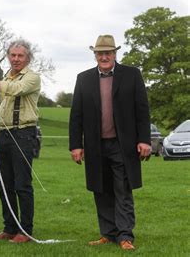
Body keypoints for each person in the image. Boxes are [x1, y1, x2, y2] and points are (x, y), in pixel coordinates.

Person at [69, 34, 151, 251]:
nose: (104, 56)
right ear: (95, 55)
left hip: (122, 144)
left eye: (108, 52)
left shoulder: (132, 75)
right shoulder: (83, 78)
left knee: (122, 189)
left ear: (115, 54)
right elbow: (76, 115)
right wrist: (76, 145)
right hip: (95, 145)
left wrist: (144, 139)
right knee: (101, 189)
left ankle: (125, 235)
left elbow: (142, 110)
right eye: (100, 53)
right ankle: (108, 233)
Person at [0, 39, 41, 244]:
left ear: (27, 58)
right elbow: (0, 112)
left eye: (20, 56)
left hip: (24, 133)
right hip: (4, 136)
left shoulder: (32, 77)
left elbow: (14, 90)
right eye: (13, 55)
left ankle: (25, 231)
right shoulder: (6, 77)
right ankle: (9, 228)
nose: (16, 59)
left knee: (22, 184)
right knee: (3, 184)